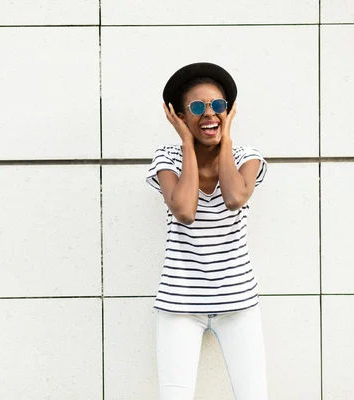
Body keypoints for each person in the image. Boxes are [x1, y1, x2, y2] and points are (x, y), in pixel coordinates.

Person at [146, 62, 268, 400]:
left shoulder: (248, 157)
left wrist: (225, 139)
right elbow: (185, 210)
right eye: (197, 107)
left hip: (238, 303)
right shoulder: (167, 159)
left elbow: (234, 198)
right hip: (180, 305)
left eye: (217, 105)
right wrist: (187, 144)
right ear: (181, 117)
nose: (209, 113)